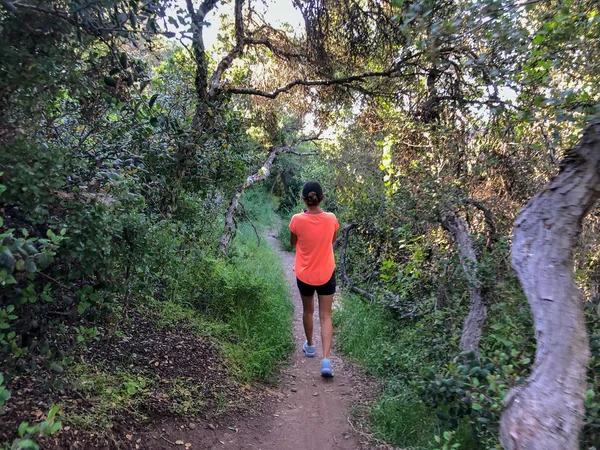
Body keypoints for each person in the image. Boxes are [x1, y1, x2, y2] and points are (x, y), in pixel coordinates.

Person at [289, 181, 339, 377]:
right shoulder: (331, 218)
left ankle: (310, 346)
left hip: (305, 274)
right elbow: (332, 240)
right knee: (326, 316)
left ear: (304, 200)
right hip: (326, 273)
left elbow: (294, 242)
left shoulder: (296, 220)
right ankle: (326, 360)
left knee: (308, 311)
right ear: (322, 199)